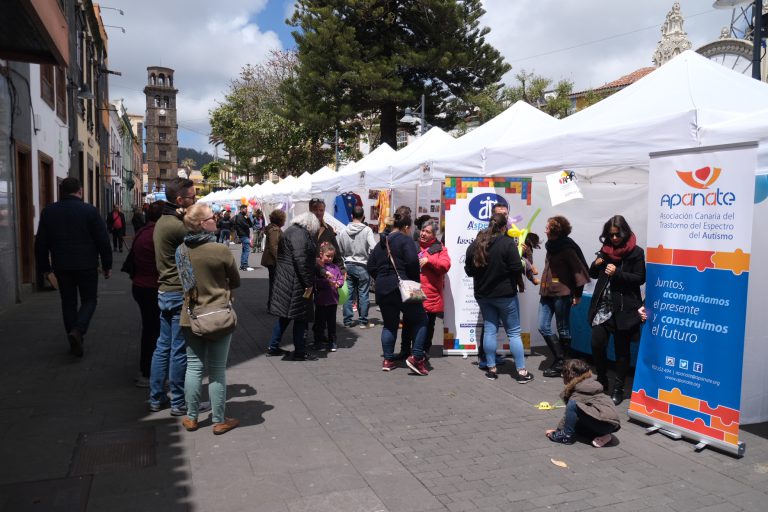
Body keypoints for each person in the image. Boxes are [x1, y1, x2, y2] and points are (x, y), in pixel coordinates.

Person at [176, 203, 241, 435]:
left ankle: (192, 418)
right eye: (212, 217)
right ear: (203, 224)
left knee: (193, 367)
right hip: (217, 315)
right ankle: (219, 420)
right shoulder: (220, 250)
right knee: (216, 370)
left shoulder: (182, 250)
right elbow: (235, 281)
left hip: (191, 315)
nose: (215, 219)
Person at [35, 177, 112, 357]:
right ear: (80, 191)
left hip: (61, 266)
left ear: (62, 191)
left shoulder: (49, 212)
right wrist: (107, 265)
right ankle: (78, 330)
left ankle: (74, 338)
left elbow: (41, 243)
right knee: (89, 300)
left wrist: (44, 268)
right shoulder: (90, 211)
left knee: (68, 302)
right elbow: (102, 241)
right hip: (86, 265)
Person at [149, 177, 207, 416]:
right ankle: (178, 402)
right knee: (179, 349)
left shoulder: (163, 221)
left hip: (165, 290)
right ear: (180, 200)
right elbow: (203, 244)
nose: (196, 200)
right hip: (177, 293)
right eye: (193, 197)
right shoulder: (176, 225)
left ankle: (156, 397)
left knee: (162, 347)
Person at [465, 212, 533, 382]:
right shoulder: (507, 243)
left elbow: (469, 270)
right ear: (504, 228)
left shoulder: (476, 244)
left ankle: (491, 369)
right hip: (505, 295)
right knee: (514, 333)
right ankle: (522, 372)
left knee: (490, 329)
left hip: (483, 295)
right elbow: (517, 267)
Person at [588, 215, 646, 405]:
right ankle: (602, 379)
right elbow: (593, 274)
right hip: (603, 307)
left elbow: (639, 278)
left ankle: (618, 388)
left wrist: (618, 273)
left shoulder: (636, 252)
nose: (613, 239)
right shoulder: (605, 250)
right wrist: (595, 265)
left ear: (625, 232)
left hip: (624, 308)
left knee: (622, 351)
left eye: (616, 235)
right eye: (610, 235)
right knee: (597, 344)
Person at [367, 207, 430, 375]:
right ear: (406, 227)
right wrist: (414, 282)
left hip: (383, 288)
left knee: (389, 324)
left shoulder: (382, 242)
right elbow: (412, 263)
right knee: (421, 320)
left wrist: (381, 277)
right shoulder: (405, 240)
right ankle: (416, 357)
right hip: (403, 285)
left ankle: (388, 359)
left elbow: (370, 266)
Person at [538, 215, 590, 378]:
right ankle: (562, 360)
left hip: (562, 293)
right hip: (547, 292)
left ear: (555, 229)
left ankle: (563, 363)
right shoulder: (551, 245)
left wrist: (578, 294)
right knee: (542, 325)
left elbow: (579, 271)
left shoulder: (566, 248)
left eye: (548, 226)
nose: (545, 228)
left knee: (563, 328)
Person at [267, 212, 321, 361]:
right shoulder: (300, 235)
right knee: (301, 318)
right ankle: (300, 351)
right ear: (309, 225)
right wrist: (308, 284)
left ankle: (273, 346)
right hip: (295, 283)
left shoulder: (292, 231)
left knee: (285, 317)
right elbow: (301, 261)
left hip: (287, 279)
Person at [545, 359, 621, 447]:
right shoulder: (588, 382)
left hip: (605, 423)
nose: (562, 376)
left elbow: (569, 411)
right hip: (609, 424)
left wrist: (559, 431)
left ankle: (565, 436)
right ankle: (603, 436)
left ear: (569, 375)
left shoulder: (579, 389)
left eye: (563, 374)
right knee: (574, 424)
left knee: (573, 405)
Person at [130, 201, 163, 387]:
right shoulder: (156, 235)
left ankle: (148, 370)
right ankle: (150, 373)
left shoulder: (141, 232)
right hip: (152, 287)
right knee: (155, 331)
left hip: (141, 285)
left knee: (150, 329)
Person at [476, 202, 511, 369]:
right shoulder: (483, 235)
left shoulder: (513, 233)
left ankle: (490, 356)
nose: (504, 216)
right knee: (491, 326)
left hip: (505, 288)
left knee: (494, 326)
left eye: (506, 213)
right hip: (489, 288)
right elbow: (472, 260)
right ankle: (485, 357)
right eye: (500, 214)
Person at [337, 205, 376, 329]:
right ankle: (363, 321)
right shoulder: (367, 230)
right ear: (363, 217)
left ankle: (347, 320)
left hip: (348, 265)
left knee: (348, 294)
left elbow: (339, 250)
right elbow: (373, 247)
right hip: (363, 265)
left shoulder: (343, 231)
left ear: (352, 216)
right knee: (363, 294)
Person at [416, 220, 451, 356]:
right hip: (413, 292)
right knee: (411, 324)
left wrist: (429, 261)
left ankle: (424, 352)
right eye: (423, 230)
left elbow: (445, 265)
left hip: (430, 295)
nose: (423, 234)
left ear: (434, 235)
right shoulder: (414, 245)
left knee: (428, 325)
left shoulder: (440, 248)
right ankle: (409, 351)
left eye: (427, 232)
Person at [312, 242, 345, 352]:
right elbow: (316, 282)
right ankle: (318, 342)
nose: (330, 258)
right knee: (319, 323)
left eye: (332, 256)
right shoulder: (318, 267)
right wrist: (327, 283)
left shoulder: (335, 267)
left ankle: (332, 342)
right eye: (328, 256)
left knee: (332, 323)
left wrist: (339, 283)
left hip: (332, 300)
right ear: (321, 254)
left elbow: (340, 279)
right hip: (321, 299)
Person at [261, 209, 286, 309]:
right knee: (275, 283)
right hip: (273, 261)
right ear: (280, 219)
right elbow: (273, 246)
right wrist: (279, 260)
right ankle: (273, 305)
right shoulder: (275, 230)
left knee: (274, 282)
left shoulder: (273, 228)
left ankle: (273, 304)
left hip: (271, 260)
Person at [234, 205, 254, 271]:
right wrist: (247, 223)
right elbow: (245, 225)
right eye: (245, 209)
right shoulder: (239, 216)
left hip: (244, 235)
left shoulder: (244, 216)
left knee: (244, 250)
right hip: (243, 235)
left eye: (246, 209)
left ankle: (242, 265)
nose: (246, 210)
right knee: (246, 250)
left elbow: (250, 224)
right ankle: (245, 265)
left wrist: (247, 217)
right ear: (241, 209)